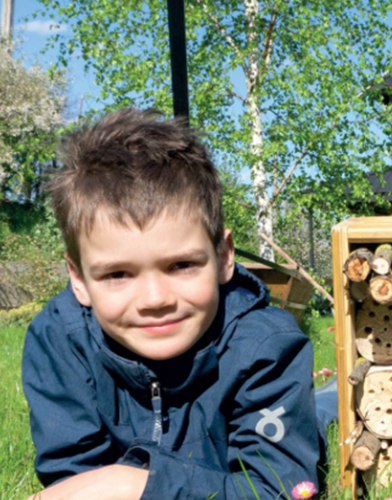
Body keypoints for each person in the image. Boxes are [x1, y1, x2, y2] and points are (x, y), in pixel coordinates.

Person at [22, 108, 326, 500]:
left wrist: (131, 483)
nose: (155, 300)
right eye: (117, 275)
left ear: (223, 256)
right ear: (78, 278)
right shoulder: (59, 342)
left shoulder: (268, 349)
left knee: (322, 414)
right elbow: (73, 478)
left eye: (182, 265)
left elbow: (278, 490)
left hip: (282, 404)